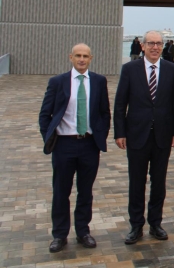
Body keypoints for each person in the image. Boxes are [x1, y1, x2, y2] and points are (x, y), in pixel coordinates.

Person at [39, 44, 111, 253]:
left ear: (91, 58)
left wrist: (100, 134)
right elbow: (45, 115)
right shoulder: (58, 82)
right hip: (64, 144)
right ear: (71, 57)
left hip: (89, 144)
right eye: (78, 56)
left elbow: (104, 112)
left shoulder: (99, 81)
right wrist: (50, 138)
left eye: (85, 56)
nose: (81, 59)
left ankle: (83, 231)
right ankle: (59, 235)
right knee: (61, 191)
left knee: (85, 191)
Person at [113, 31, 174, 244]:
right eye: (151, 43)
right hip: (136, 135)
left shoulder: (171, 70)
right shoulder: (129, 69)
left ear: (163, 47)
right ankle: (136, 226)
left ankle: (155, 223)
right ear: (142, 46)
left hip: (163, 136)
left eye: (159, 43)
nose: (155, 47)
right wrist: (120, 132)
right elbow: (119, 104)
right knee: (137, 182)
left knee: (159, 182)